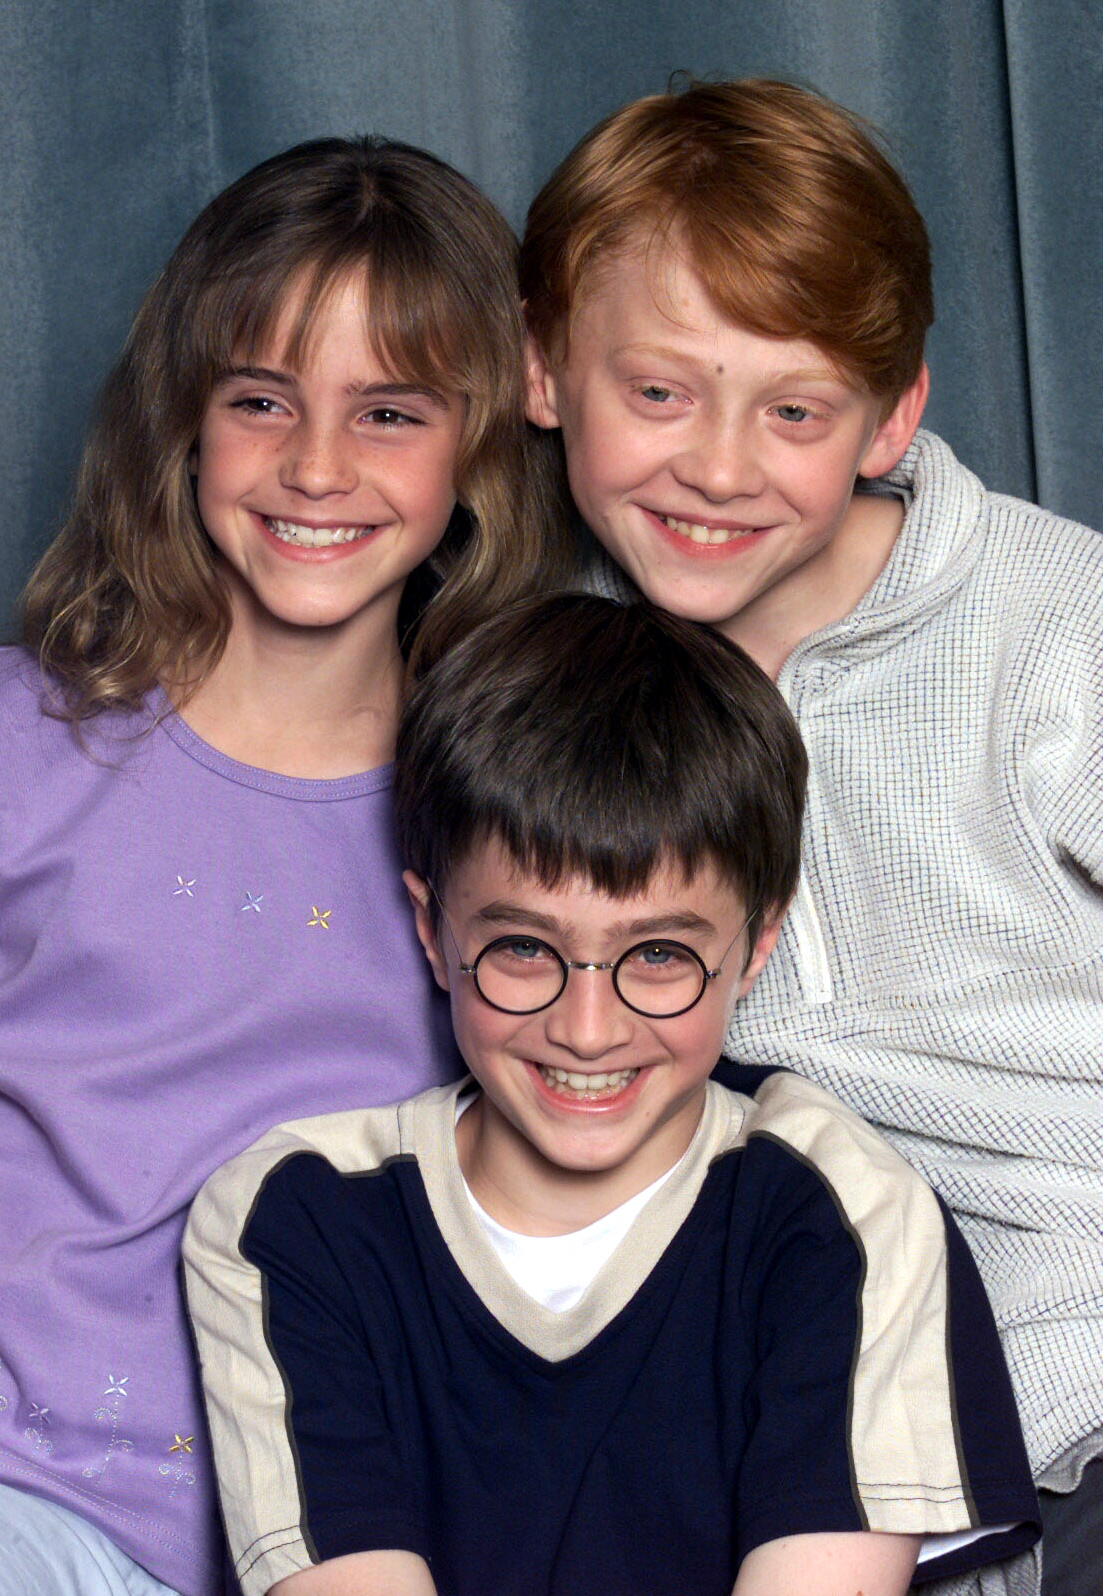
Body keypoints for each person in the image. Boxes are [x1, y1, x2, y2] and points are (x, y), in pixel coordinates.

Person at [518, 79, 1103, 1595]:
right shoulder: (535, 684)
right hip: (848, 1444)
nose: (717, 467)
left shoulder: (1055, 631)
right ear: (542, 371)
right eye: (659, 393)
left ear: (894, 412)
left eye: (793, 411)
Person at [0, 136, 550, 1596]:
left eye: (389, 411)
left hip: (308, 1549)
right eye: (262, 400)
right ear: (185, 424)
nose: (318, 467)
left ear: (475, 449)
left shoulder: (504, 834)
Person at [183, 593, 1039, 1596]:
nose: (587, 1029)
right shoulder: (295, 1214)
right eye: (521, 949)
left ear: (759, 943)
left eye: (662, 956)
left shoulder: (841, 1213)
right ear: (433, 934)